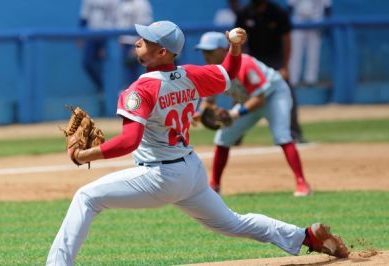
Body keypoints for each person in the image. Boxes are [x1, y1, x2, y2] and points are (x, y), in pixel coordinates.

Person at [46, 21, 348, 265]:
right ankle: (306, 236)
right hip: (190, 173)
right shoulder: (190, 75)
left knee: (86, 197)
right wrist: (234, 47)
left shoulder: (140, 89)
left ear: (162, 51)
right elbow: (229, 72)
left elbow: (129, 142)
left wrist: (84, 154)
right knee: (234, 223)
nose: (139, 40)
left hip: (159, 176)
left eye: (146, 39)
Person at [194, 31, 311, 196]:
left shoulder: (244, 63)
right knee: (223, 138)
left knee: (282, 135)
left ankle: (302, 183)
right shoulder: (213, 71)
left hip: (274, 96)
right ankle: (215, 185)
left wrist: (233, 115)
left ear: (223, 50)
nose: (206, 55)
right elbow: (209, 101)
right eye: (203, 51)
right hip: (248, 101)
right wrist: (199, 112)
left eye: (210, 51)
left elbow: (260, 99)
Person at [235, 0, 306, 143]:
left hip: (275, 60)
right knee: (239, 93)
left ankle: (294, 133)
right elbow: (238, 42)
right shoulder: (244, 13)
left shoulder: (278, 12)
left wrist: (285, 66)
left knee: (287, 92)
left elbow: (286, 40)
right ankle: (234, 135)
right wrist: (239, 66)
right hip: (253, 60)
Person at [288, 0, 332, 87]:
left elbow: (328, 7)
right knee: (295, 52)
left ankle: (311, 79)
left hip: (316, 20)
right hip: (299, 20)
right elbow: (290, 6)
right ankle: (293, 79)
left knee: (313, 52)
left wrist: (327, 25)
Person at [79, 0, 119, 93]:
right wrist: (80, 36)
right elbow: (84, 17)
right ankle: (102, 87)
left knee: (105, 66)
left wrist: (106, 44)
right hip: (91, 35)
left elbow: (116, 21)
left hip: (106, 36)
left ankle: (107, 93)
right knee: (87, 64)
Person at [115, 0, 153, 86]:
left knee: (134, 73)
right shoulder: (122, 3)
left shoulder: (142, 3)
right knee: (127, 72)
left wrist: (139, 45)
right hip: (124, 42)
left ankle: (137, 95)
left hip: (135, 42)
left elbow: (144, 26)